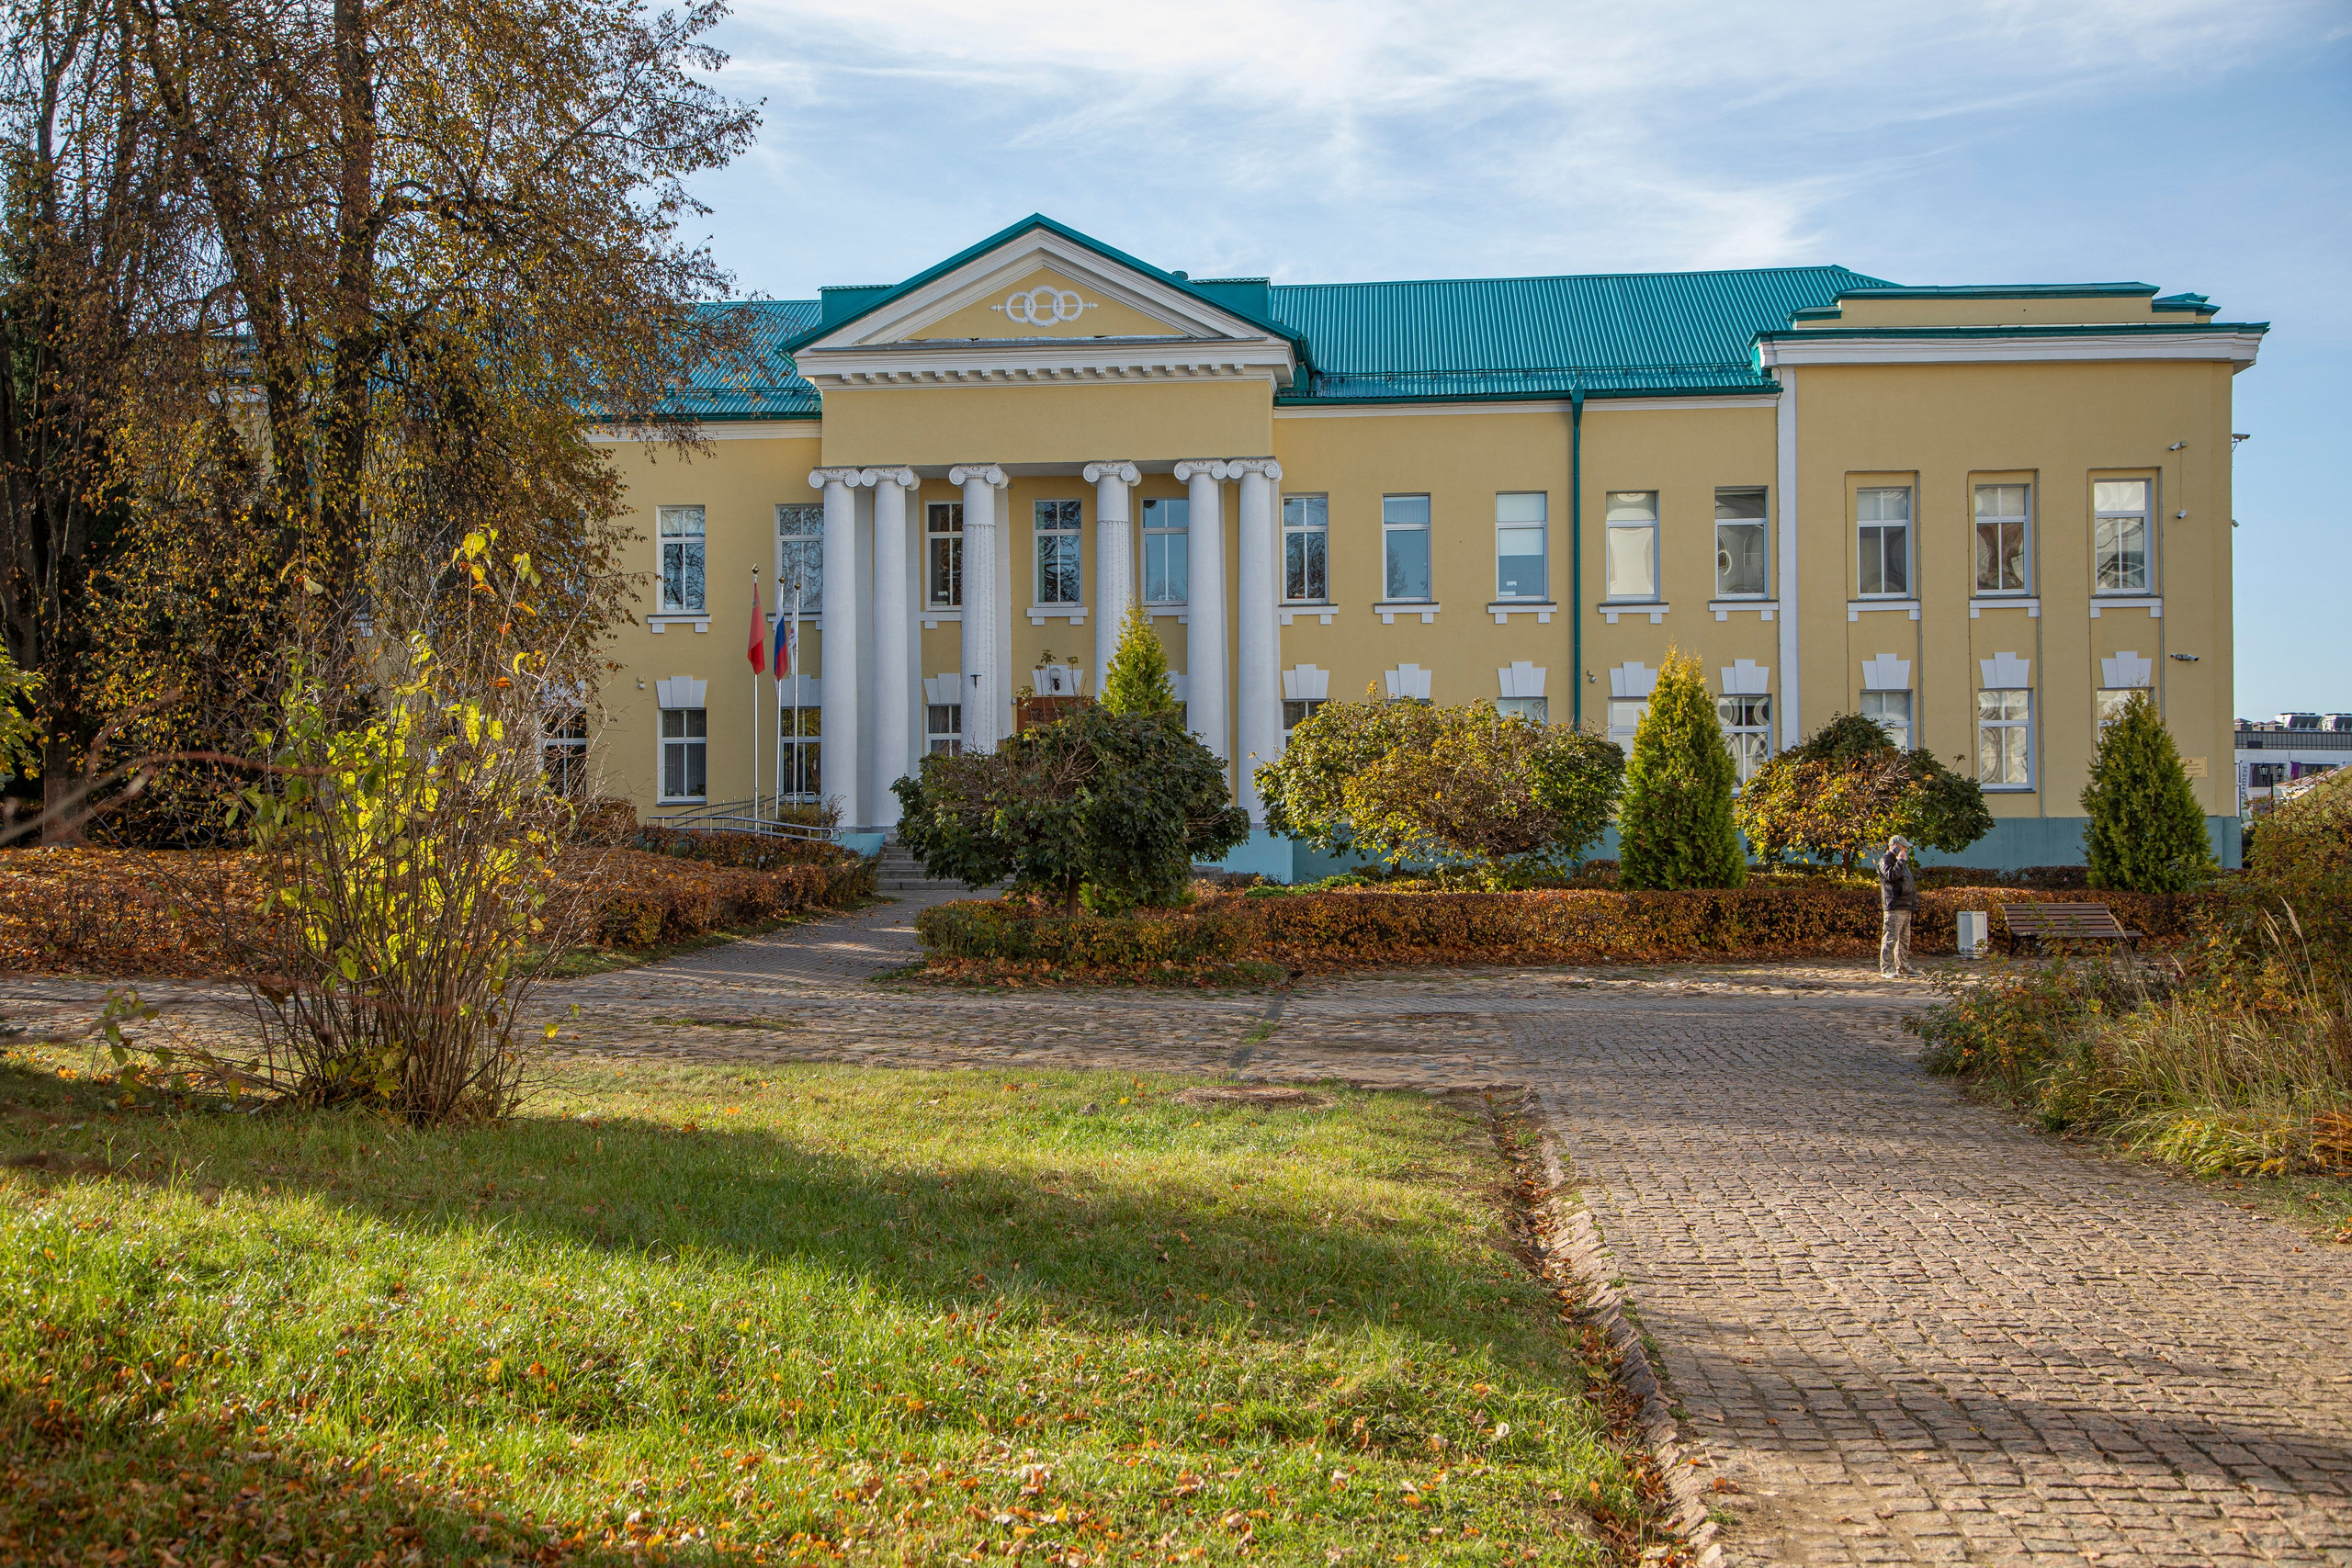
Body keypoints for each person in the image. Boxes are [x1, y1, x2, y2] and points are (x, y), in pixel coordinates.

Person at [1878, 834, 1918, 978]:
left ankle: (1903, 966)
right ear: (1894, 846)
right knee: (1890, 938)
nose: (1906, 850)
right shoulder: (1885, 861)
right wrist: (1900, 861)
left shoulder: (1900, 862)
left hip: (1906, 906)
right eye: (1904, 847)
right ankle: (1887, 968)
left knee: (1904, 939)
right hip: (1895, 906)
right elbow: (1891, 876)